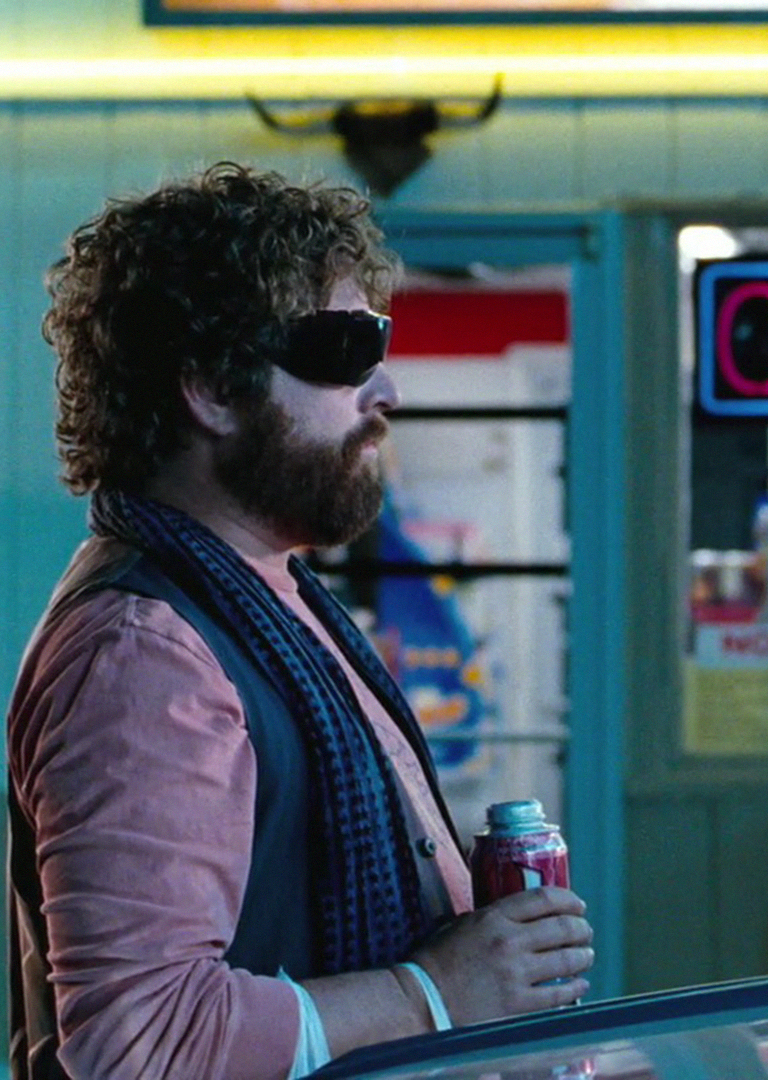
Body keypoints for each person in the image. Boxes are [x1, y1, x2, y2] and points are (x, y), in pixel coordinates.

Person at [8, 163, 595, 1080]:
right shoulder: (146, 653)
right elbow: (139, 1045)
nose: (385, 389)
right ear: (212, 386)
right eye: (343, 348)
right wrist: (435, 994)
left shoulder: (268, 599)